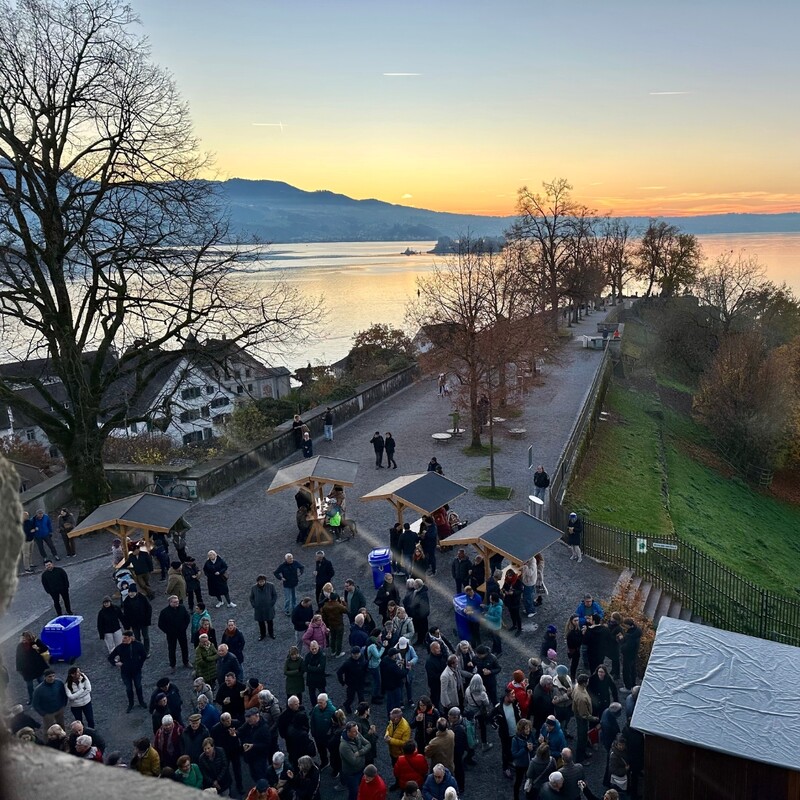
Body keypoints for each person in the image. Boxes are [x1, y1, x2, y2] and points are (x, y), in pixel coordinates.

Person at [108, 629, 147, 712]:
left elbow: (144, 655)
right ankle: (131, 703)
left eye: (125, 638)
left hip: (136, 670)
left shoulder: (138, 645)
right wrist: (116, 663)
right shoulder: (120, 647)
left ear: (130, 638)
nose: (123, 640)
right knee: (129, 688)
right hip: (125, 672)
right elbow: (110, 658)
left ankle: (141, 701)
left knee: (138, 686)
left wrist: (139, 665)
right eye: (123, 638)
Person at [340, 720, 373, 800]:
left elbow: (368, 744)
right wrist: (363, 752)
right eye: (354, 731)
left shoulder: (356, 734)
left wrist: (360, 753)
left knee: (362, 789)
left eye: (357, 730)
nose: (357, 733)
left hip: (361, 769)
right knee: (354, 793)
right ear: (348, 732)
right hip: (352, 774)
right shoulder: (344, 746)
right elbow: (353, 762)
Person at [158, 594, 191, 671]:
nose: (177, 603)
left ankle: (186, 661)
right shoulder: (164, 612)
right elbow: (161, 624)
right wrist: (168, 631)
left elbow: (187, 618)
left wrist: (184, 627)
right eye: (175, 602)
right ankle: (173, 665)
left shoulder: (182, 608)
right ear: (170, 602)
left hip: (181, 632)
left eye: (177, 602)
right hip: (171, 634)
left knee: (184, 647)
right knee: (172, 649)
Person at [16, 630, 49, 704]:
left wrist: (37, 648)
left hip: (37, 667)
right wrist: (19, 669)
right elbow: (18, 658)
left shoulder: (36, 642)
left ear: (29, 638)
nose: (23, 639)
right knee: (29, 686)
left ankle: (45, 696)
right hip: (27, 669)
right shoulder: (20, 646)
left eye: (25, 638)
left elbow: (45, 648)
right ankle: (32, 699)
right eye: (23, 638)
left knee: (41, 682)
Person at [122, 583, 153, 656]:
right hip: (134, 623)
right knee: (137, 638)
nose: (130, 594)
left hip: (144, 622)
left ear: (136, 592)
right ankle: (139, 651)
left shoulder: (142, 598)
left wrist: (147, 619)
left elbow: (149, 609)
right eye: (129, 592)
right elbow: (126, 614)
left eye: (132, 592)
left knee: (145, 637)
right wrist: (127, 625)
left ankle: (146, 651)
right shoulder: (126, 601)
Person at [248, 574, 278, 641]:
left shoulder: (271, 586)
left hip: (268, 608)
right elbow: (251, 597)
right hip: (259, 609)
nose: (261, 583)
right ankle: (262, 635)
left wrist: (272, 603)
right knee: (261, 623)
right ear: (257, 582)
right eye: (260, 581)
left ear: (265, 581)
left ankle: (271, 633)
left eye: (263, 581)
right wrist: (254, 605)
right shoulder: (254, 588)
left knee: (270, 622)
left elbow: (275, 595)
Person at [620, 617, 642, 691]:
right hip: (634, 655)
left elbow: (626, 647)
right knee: (633, 670)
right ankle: (633, 684)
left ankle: (627, 687)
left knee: (626, 670)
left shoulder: (630, 636)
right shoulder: (636, 632)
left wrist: (621, 641)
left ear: (629, 625)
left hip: (628, 655)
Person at [565, 615, 584, 681]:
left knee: (574, 664)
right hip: (573, 651)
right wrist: (582, 635)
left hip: (576, 649)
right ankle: (572, 678)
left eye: (577, 620)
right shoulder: (570, 633)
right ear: (571, 621)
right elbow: (577, 642)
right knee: (574, 665)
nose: (577, 622)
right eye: (575, 620)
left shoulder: (577, 629)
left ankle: (572, 676)